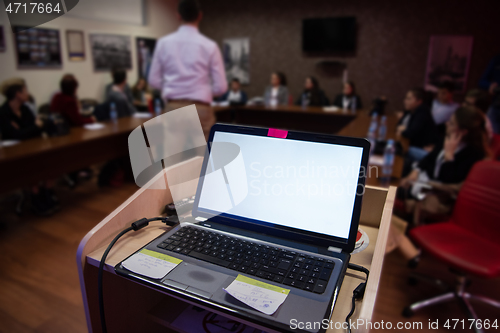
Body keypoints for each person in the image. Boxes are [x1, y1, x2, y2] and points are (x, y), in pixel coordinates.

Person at [148, 0, 227, 137]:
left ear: (178, 16)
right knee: (205, 156)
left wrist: (171, 86)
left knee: (173, 158)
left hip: (174, 108)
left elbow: (153, 80)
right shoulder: (210, 46)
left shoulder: (163, 43)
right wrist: (203, 90)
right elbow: (221, 87)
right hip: (201, 107)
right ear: (200, 16)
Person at [399, 106, 488, 224]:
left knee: (391, 194)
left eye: (451, 123)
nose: (447, 124)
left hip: (438, 194)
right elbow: (429, 159)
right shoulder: (448, 138)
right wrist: (415, 171)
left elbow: (447, 181)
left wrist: (449, 157)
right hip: (424, 182)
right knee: (394, 184)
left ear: (463, 131)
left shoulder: (474, 154)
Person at [0, 78, 59, 215]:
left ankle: (47, 192)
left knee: (52, 160)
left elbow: (36, 129)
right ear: (17, 94)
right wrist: (32, 128)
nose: (27, 93)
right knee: (31, 167)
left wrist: (27, 130)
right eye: (25, 90)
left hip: (33, 148)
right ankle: (36, 197)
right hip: (14, 155)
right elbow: (17, 134)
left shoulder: (25, 109)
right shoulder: (3, 112)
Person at [397, 88, 438, 167]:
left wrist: (403, 131)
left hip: (426, 150)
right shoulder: (410, 110)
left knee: (401, 151)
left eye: (409, 99)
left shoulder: (422, 112)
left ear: (419, 101)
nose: (405, 101)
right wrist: (404, 130)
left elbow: (411, 132)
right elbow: (399, 125)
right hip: (417, 145)